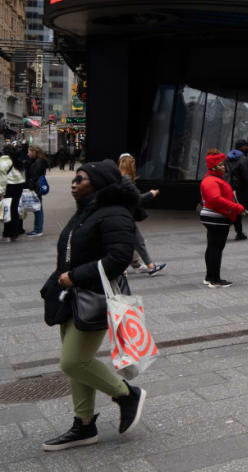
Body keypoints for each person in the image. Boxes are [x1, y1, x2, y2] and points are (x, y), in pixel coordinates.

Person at [41, 159, 146, 451]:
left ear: (99, 184)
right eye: (74, 178)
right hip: (71, 297)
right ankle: (84, 425)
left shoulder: (113, 213)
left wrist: (75, 276)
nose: (74, 183)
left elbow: (119, 258)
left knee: (73, 361)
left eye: (81, 179)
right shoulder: (86, 211)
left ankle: (126, 394)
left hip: (94, 298)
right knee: (77, 365)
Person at [199, 150, 244, 288]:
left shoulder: (212, 179)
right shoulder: (211, 181)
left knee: (212, 247)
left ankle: (210, 277)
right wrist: (235, 207)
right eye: (220, 165)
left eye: (223, 164)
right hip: (216, 217)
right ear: (212, 167)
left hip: (214, 216)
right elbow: (215, 199)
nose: (223, 167)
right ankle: (215, 279)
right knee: (216, 248)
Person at [118, 154, 166, 275]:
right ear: (130, 164)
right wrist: (151, 193)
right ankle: (148, 267)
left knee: (133, 241)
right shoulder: (127, 180)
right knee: (136, 242)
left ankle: (142, 265)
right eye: (133, 164)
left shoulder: (118, 178)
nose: (135, 167)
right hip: (125, 217)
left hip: (122, 216)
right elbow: (138, 198)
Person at [226, 139, 248, 240]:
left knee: (232, 209)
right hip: (239, 190)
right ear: (242, 147)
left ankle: (238, 232)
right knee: (238, 210)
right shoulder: (244, 159)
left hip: (227, 188)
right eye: (246, 146)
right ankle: (236, 232)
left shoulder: (227, 158)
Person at [1, 144, 26, 242]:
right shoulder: (17, 160)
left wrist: (1, 192)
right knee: (14, 209)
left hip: (9, 186)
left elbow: (2, 178)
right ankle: (15, 231)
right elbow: (23, 174)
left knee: (7, 209)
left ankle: (8, 232)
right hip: (19, 185)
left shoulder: (2, 162)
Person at [24, 146, 49, 236]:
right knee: (38, 207)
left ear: (34, 152)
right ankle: (38, 229)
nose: (28, 154)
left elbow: (34, 175)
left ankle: (38, 230)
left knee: (37, 208)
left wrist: (30, 186)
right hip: (36, 187)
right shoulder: (38, 160)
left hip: (36, 188)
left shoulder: (39, 162)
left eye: (29, 152)